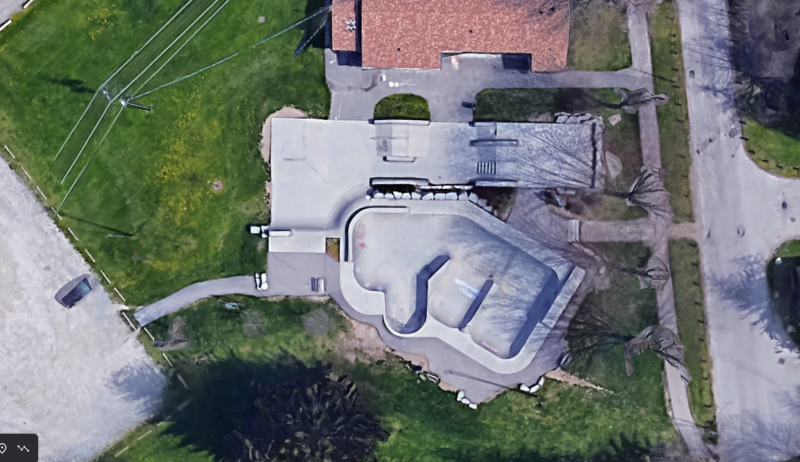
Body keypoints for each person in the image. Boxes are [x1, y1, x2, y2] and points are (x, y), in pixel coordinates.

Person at [624, 325, 692, 385]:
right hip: (665, 348)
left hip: (671, 346)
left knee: (679, 364)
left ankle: (688, 380)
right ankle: (687, 380)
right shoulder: (644, 340)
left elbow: (667, 338)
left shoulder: (652, 336)